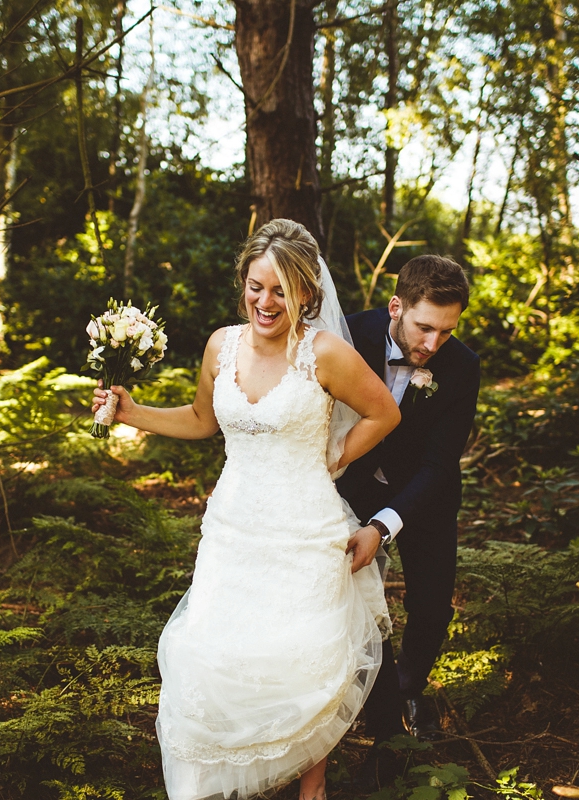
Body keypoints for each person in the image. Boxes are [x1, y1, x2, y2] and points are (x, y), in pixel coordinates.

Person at [91, 219, 400, 800]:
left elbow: (384, 413)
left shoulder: (326, 354)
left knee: (303, 658)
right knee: (214, 653)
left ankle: (312, 790)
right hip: (233, 527)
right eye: (257, 286)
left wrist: (337, 452)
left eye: (281, 289)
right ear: (244, 285)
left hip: (304, 528)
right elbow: (203, 420)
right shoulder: (221, 344)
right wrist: (132, 412)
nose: (266, 301)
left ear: (307, 293)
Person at [335, 255, 481, 759]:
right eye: (424, 328)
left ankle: (406, 690)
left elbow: (441, 463)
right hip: (349, 488)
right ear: (397, 306)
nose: (432, 345)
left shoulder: (462, 367)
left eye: (447, 331)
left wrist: (384, 525)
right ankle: (372, 716)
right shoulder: (347, 334)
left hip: (425, 496)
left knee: (432, 606)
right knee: (347, 600)